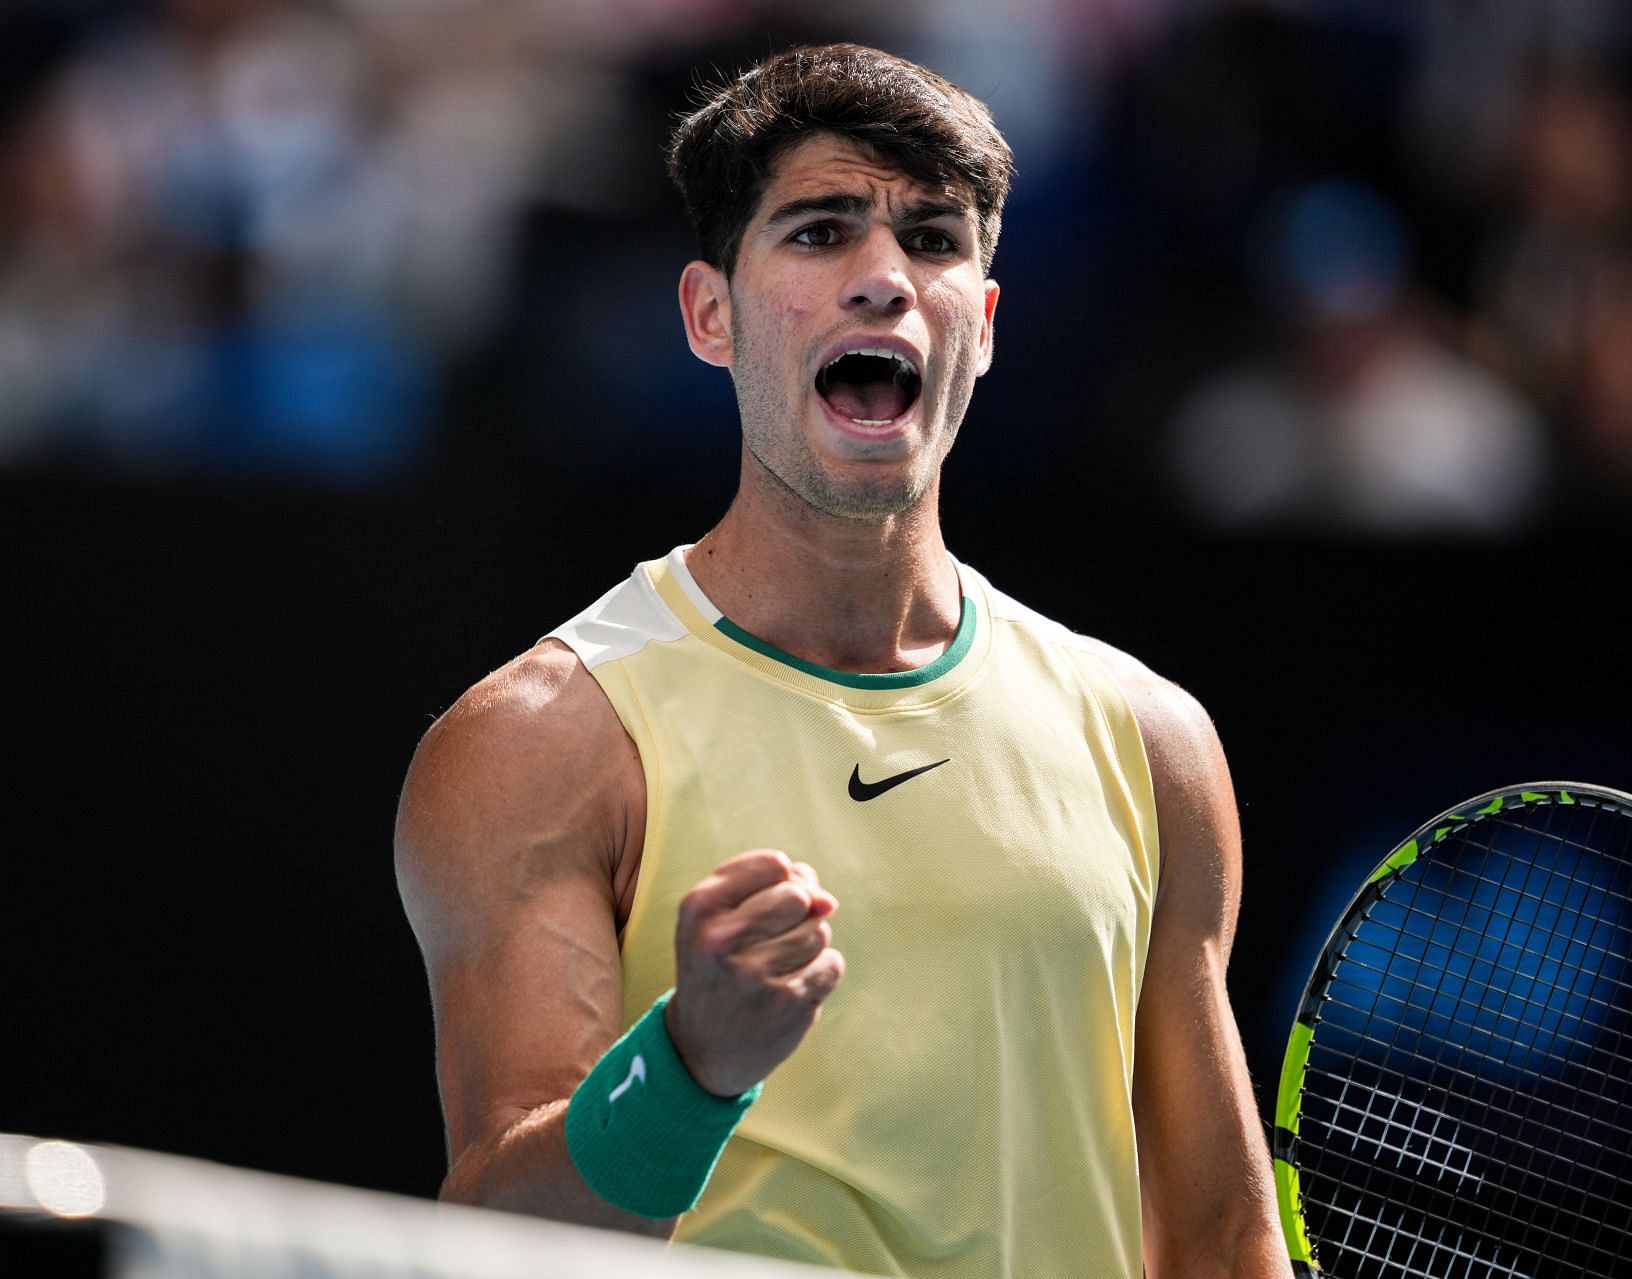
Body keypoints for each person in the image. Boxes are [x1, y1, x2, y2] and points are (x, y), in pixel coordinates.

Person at [394, 43, 1285, 1278]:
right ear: (712, 313)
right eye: (819, 233)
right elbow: (496, 1244)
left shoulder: (1154, 743)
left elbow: (1223, 1241)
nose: (884, 280)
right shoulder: (543, 738)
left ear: (981, 320)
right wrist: (687, 1072)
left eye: (932, 238)